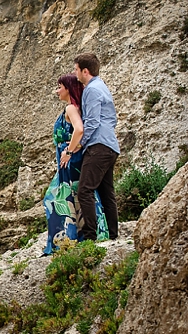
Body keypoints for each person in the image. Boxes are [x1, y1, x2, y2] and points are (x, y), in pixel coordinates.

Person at [42, 73, 108, 254]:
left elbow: (79, 129)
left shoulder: (71, 108)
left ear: (68, 88)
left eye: (59, 87)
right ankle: (79, 235)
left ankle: (66, 240)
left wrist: (69, 151)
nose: (57, 91)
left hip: (70, 160)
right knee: (75, 194)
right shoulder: (76, 107)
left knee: (55, 198)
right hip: (71, 158)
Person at [70, 52, 120, 241]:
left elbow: (91, 122)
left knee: (85, 190)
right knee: (107, 193)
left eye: (76, 70)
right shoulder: (102, 87)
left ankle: (90, 237)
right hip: (110, 145)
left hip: (98, 146)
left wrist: (79, 144)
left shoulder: (91, 90)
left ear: (85, 71)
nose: (75, 74)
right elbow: (112, 119)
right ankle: (113, 236)